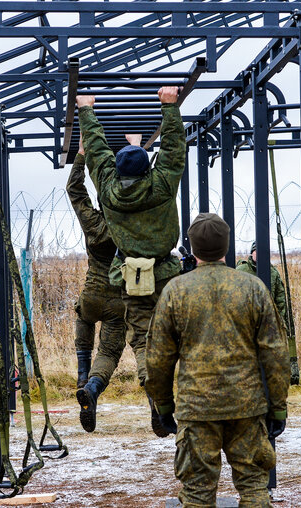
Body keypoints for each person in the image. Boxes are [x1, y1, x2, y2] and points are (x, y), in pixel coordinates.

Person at [146, 213, 290, 507]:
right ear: (225, 246)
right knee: (253, 487)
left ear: (193, 248)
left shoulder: (175, 291)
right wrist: (277, 408)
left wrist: (162, 405)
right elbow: (276, 353)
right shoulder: (253, 288)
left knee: (197, 492)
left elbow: (158, 357)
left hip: (197, 409)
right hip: (247, 407)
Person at [77, 86, 185, 437]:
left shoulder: (108, 192)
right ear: (147, 169)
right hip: (167, 273)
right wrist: (169, 106)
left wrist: (87, 110)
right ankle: (161, 398)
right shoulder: (162, 185)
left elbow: (96, 154)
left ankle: (153, 393)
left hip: (131, 277)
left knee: (140, 340)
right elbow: (173, 151)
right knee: (171, 336)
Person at [68, 133, 127, 432]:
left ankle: (81, 373)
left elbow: (74, 190)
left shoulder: (95, 223)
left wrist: (81, 156)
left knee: (83, 314)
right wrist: (135, 150)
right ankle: (91, 386)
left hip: (93, 292)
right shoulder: (129, 221)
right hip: (120, 297)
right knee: (108, 352)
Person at [237, 241, 299, 385]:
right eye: (256, 251)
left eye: (263, 252)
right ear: (252, 253)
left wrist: (279, 323)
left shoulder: (273, 273)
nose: (259, 255)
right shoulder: (241, 270)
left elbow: (280, 301)